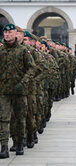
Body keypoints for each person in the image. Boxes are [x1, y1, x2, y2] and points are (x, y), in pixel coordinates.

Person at [0, 24, 36, 158]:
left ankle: (20, 143)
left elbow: (32, 68)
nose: (7, 34)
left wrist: (23, 83)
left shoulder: (23, 51)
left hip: (20, 91)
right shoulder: (1, 51)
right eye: (5, 32)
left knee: (20, 119)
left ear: (15, 34)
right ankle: (4, 146)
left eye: (9, 32)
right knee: (3, 118)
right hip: (4, 91)